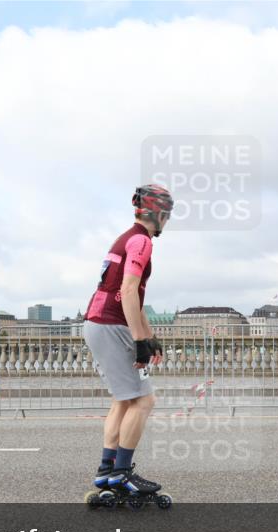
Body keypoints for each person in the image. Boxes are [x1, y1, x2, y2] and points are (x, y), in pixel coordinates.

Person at [83, 184, 172, 499]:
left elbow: (131, 295)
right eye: (167, 214)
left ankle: (107, 471)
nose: (168, 220)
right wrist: (139, 341)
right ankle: (122, 473)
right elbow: (130, 291)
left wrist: (150, 336)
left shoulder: (125, 238)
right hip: (112, 324)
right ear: (157, 213)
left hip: (97, 322)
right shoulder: (142, 241)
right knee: (144, 401)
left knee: (123, 399)